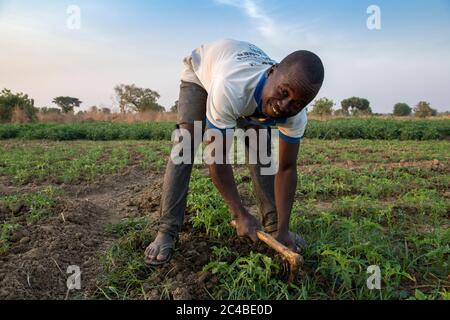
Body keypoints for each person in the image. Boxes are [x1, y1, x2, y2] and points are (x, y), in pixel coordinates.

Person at [145, 39, 324, 265]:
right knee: (186, 143)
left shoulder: (295, 113)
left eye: (297, 103)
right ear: (272, 72)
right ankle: (166, 231)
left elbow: (287, 168)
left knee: (260, 146)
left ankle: (274, 225)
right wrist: (240, 214)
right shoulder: (231, 86)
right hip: (201, 74)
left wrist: (285, 230)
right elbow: (217, 160)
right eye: (283, 92)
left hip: (246, 83)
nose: (285, 105)